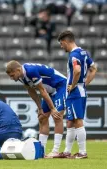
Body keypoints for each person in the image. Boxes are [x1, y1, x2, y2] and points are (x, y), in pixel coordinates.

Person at [6, 60, 66, 158]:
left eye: (12, 75)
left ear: (18, 70)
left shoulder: (30, 71)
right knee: (42, 118)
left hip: (60, 86)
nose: (12, 78)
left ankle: (55, 150)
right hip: (49, 91)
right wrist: (40, 108)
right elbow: (31, 91)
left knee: (57, 116)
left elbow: (41, 90)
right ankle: (41, 151)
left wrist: (53, 108)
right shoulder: (21, 76)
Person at [57, 30, 97, 159]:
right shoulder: (83, 52)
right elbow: (94, 68)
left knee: (78, 120)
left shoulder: (74, 55)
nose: (61, 47)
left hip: (75, 92)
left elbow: (77, 70)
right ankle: (67, 151)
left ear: (65, 41)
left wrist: (74, 85)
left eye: (61, 44)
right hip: (79, 90)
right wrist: (84, 84)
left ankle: (82, 152)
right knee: (70, 121)